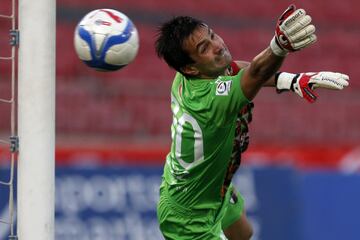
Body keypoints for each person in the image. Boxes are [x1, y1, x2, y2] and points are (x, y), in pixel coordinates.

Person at [154, 5, 349, 240]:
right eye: (204, 48)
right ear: (190, 68)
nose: (217, 45)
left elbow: (235, 68)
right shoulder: (206, 101)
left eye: (212, 35)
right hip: (188, 218)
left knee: (243, 234)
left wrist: (292, 80)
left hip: (209, 188)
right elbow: (254, 75)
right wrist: (278, 48)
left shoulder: (189, 75)